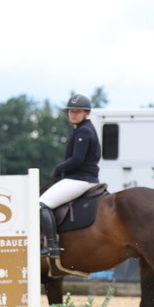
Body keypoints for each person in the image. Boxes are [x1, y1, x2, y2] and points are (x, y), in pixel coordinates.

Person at [39, 94, 101, 258]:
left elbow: (77, 159)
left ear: (86, 113)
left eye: (77, 111)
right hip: (80, 178)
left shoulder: (84, 131)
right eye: (71, 111)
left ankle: (52, 246)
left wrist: (58, 168)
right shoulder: (82, 129)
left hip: (80, 179)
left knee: (41, 205)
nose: (73, 114)